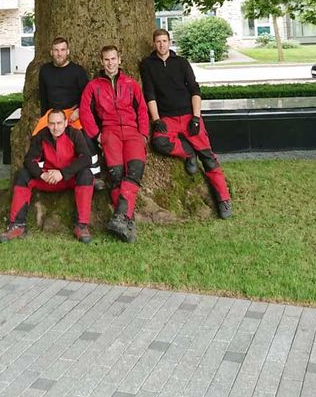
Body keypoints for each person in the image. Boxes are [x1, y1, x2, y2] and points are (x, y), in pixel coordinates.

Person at [139, 29, 233, 219]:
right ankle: (188, 154)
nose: (161, 45)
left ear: (170, 42)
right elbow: (150, 94)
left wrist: (196, 118)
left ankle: (224, 200)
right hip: (167, 118)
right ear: (153, 43)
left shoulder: (181, 63)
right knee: (159, 142)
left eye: (165, 41)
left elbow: (195, 90)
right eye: (158, 41)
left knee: (208, 157)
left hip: (189, 116)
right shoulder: (148, 65)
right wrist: (156, 120)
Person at [79, 45, 149, 244]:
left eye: (113, 59)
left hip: (132, 132)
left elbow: (142, 110)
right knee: (116, 175)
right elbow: (85, 111)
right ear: (102, 62)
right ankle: (127, 219)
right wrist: (97, 135)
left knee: (134, 171)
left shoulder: (131, 84)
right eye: (106, 60)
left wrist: (143, 134)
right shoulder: (93, 86)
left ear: (120, 60)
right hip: (109, 133)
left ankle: (121, 217)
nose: (110, 63)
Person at [0, 109, 94, 243]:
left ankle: (81, 226)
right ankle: (17, 225)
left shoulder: (75, 134)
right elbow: (29, 160)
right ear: (48, 124)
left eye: (59, 123)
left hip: (69, 178)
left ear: (66, 123)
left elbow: (86, 159)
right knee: (22, 175)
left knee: (86, 175)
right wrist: (41, 175)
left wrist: (62, 173)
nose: (56, 127)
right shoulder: (41, 136)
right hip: (47, 179)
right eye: (52, 123)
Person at [33, 36, 102, 188]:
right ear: (51, 52)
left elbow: (87, 97)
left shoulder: (77, 71)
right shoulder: (45, 70)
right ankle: (44, 173)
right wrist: (45, 116)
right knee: (38, 135)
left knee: (86, 136)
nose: (59, 54)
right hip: (53, 112)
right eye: (56, 50)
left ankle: (95, 174)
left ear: (68, 51)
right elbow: (43, 97)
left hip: (73, 111)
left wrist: (79, 111)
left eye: (62, 50)